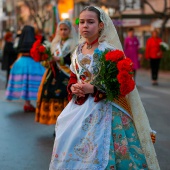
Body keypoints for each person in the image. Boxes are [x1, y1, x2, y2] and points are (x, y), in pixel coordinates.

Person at [49, 6, 160, 170]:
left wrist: (93, 89)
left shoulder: (108, 50)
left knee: (105, 150)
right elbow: (74, 75)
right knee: (67, 137)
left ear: (101, 25)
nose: (85, 25)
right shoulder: (77, 51)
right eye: (82, 22)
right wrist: (73, 87)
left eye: (91, 22)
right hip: (79, 107)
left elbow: (119, 84)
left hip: (105, 107)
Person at [35, 20, 78, 126]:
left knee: (65, 96)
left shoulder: (74, 44)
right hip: (53, 74)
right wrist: (47, 60)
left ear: (70, 30)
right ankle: (55, 122)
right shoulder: (54, 44)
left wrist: (61, 59)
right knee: (50, 94)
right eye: (61, 29)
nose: (63, 32)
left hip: (67, 74)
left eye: (65, 29)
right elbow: (49, 58)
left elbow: (75, 60)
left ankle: (66, 123)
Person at [6, 25, 45, 112]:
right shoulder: (34, 41)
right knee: (36, 83)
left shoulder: (20, 40)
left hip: (21, 62)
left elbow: (17, 50)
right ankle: (34, 103)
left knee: (25, 83)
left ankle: (27, 103)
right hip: (32, 62)